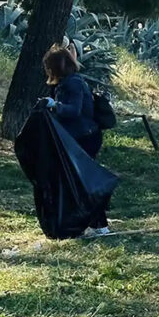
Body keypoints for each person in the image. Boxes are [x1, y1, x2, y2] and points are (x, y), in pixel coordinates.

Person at [42, 44, 110, 235]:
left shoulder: (73, 83)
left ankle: (100, 225)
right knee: (78, 182)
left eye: (49, 67)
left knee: (83, 183)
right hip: (80, 137)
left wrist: (55, 105)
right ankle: (88, 224)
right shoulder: (66, 82)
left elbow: (74, 110)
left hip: (85, 138)